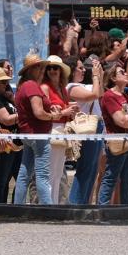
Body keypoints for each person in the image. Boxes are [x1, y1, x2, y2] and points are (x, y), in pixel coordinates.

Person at [97, 64, 128, 205]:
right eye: (121, 72)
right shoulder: (109, 96)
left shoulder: (124, 95)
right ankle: (102, 209)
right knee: (111, 176)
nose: (125, 73)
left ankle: (126, 209)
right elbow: (120, 121)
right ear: (113, 78)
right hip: (117, 139)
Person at [14, 54, 57, 204]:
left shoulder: (23, 86)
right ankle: (47, 208)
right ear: (31, 69)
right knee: (42, 174)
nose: (42, 69)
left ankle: (17, 206)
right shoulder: (31, 85)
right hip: (38, 135)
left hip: (28, 134)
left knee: (24, 173)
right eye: (39, 66)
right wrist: (53, 116)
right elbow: (38, 112)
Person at [40, 55, 78, 203]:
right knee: (50, 172)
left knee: (58, 172)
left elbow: (64, 110)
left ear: (61, 70)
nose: (52, 71)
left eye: (55, 68)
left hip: (62, 129)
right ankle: (48, 205)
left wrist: (71, 111)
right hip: (51, 129)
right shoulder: (45, 88)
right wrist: (64, 112)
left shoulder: (62, 89)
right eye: (49, 68)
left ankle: (54, 203)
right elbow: (45, 112)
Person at [66, 56, 104, 204]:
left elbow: (99, 93)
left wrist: (99, 75)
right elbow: (93, 95)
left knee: (93, 169)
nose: (83, 70)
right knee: (86, 167)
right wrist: (94, 76)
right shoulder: (71, 86)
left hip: (96, 125)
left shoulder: (82, 85)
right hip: (86, 127)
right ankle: (76, 203)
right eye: (80, 68)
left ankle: (84, 203)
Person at [0, 66, 21, 204]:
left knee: (18, 178)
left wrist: (13, 99)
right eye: (2, 82)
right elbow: (5, 119)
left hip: (16, 143)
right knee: (0, 179)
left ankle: (13, 205)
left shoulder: (6, 97)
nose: (6, 84)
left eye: (6, 81)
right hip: (4, 144)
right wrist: (24, 115)